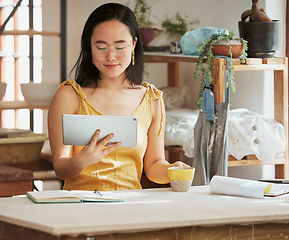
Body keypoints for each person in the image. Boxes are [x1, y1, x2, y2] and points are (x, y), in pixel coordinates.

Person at [48, 2, 188, 191]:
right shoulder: (69, 96)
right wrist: (80, 161)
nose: (111, 56)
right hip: (79, 208)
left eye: (120, 47)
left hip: (129, 208)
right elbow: (60, 168)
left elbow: (154, 165)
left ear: (133, 45)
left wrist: (173, 169)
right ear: (89, 47)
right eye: (101, 47)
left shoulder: (151, 99)